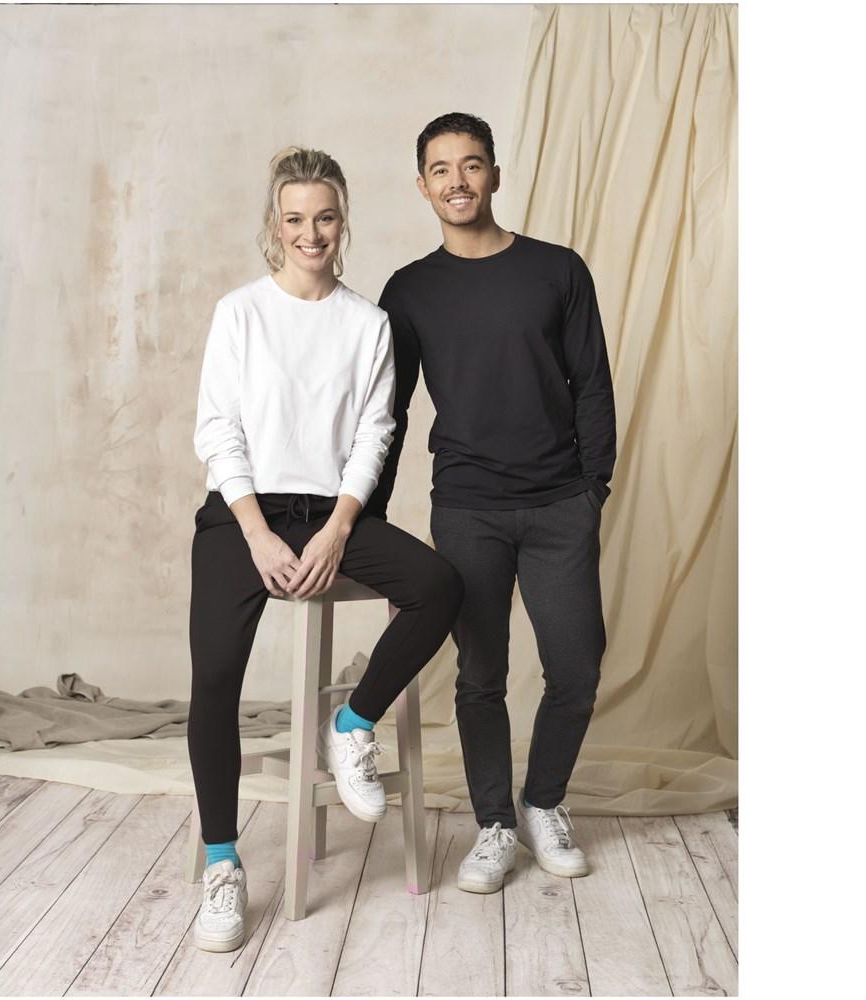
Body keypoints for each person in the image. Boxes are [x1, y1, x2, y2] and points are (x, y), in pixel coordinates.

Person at [188, 146, 464, 951]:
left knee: (439, 586)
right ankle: (222, 864)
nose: (312, 233)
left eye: (326, 217)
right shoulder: (240, 313)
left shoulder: (368, 324)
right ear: (275, 225)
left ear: (344, 222)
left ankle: (352, 721)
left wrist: (340, 528)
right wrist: (256, 533)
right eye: (295, 219)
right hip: (242, 513)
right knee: (215, 679)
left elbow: (376, 435)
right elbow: (218, 431)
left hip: (331, 512)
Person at [365, 113, 617, 894]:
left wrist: (593, 489)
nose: (458, 181)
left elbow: (593, 385)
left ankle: (543, 803)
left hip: (559, 504)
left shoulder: (557, 271)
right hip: (468, 506)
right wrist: (368, 522)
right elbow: (388, 412)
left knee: (576, 667)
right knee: (480, 676)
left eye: (471, 165)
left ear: (495, 176)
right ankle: (495, 824)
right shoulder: (409, 291)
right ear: (422, 187)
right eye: (441, 169)